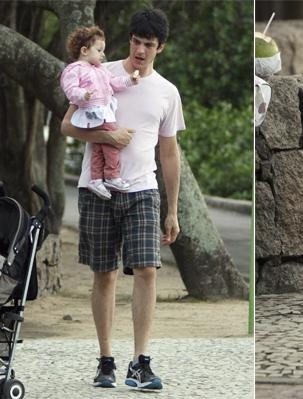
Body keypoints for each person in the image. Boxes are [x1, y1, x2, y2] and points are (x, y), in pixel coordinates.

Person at [61, 8, 184, 390]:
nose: (141, 50)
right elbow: (67, 124)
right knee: (105, 274)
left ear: (160, 47)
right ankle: (106, 360)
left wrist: (173, 209)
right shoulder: (100, 73)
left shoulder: (167, 92)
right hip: (97, 188)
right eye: (136, 41)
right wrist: (105, 138)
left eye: (149, 45)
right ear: (129, 39)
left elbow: (169, 152)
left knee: (147, 270)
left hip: (143, 190)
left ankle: (140, 362)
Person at [60, 25, 139, 200]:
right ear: (84, 50)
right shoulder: (74, 69)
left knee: (98, 147)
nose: (103, 54)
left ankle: (96, 179)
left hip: (104, 110)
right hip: (93, 112)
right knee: (111, 143)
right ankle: (112, 176)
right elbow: (70, 89)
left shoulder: (101, 70)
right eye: (99, 50)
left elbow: (114, 83)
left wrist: (130, 81)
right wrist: (83, 94)